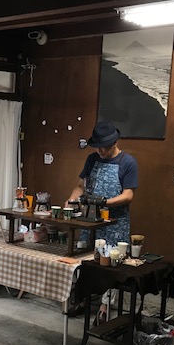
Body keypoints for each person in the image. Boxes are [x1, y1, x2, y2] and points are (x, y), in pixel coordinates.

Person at [67, 121, 139, 321]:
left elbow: (128, 195)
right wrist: (71, 200)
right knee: (85, 260)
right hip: (90, 220)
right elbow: (80, 186)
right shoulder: (92, 159)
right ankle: (82, 299)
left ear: (115, 142)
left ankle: (104, 307)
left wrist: (103, 202)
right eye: (97, 147)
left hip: (115, 223)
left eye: (103, 147)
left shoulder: (128, 162)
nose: (100, 151)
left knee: (110, 264)